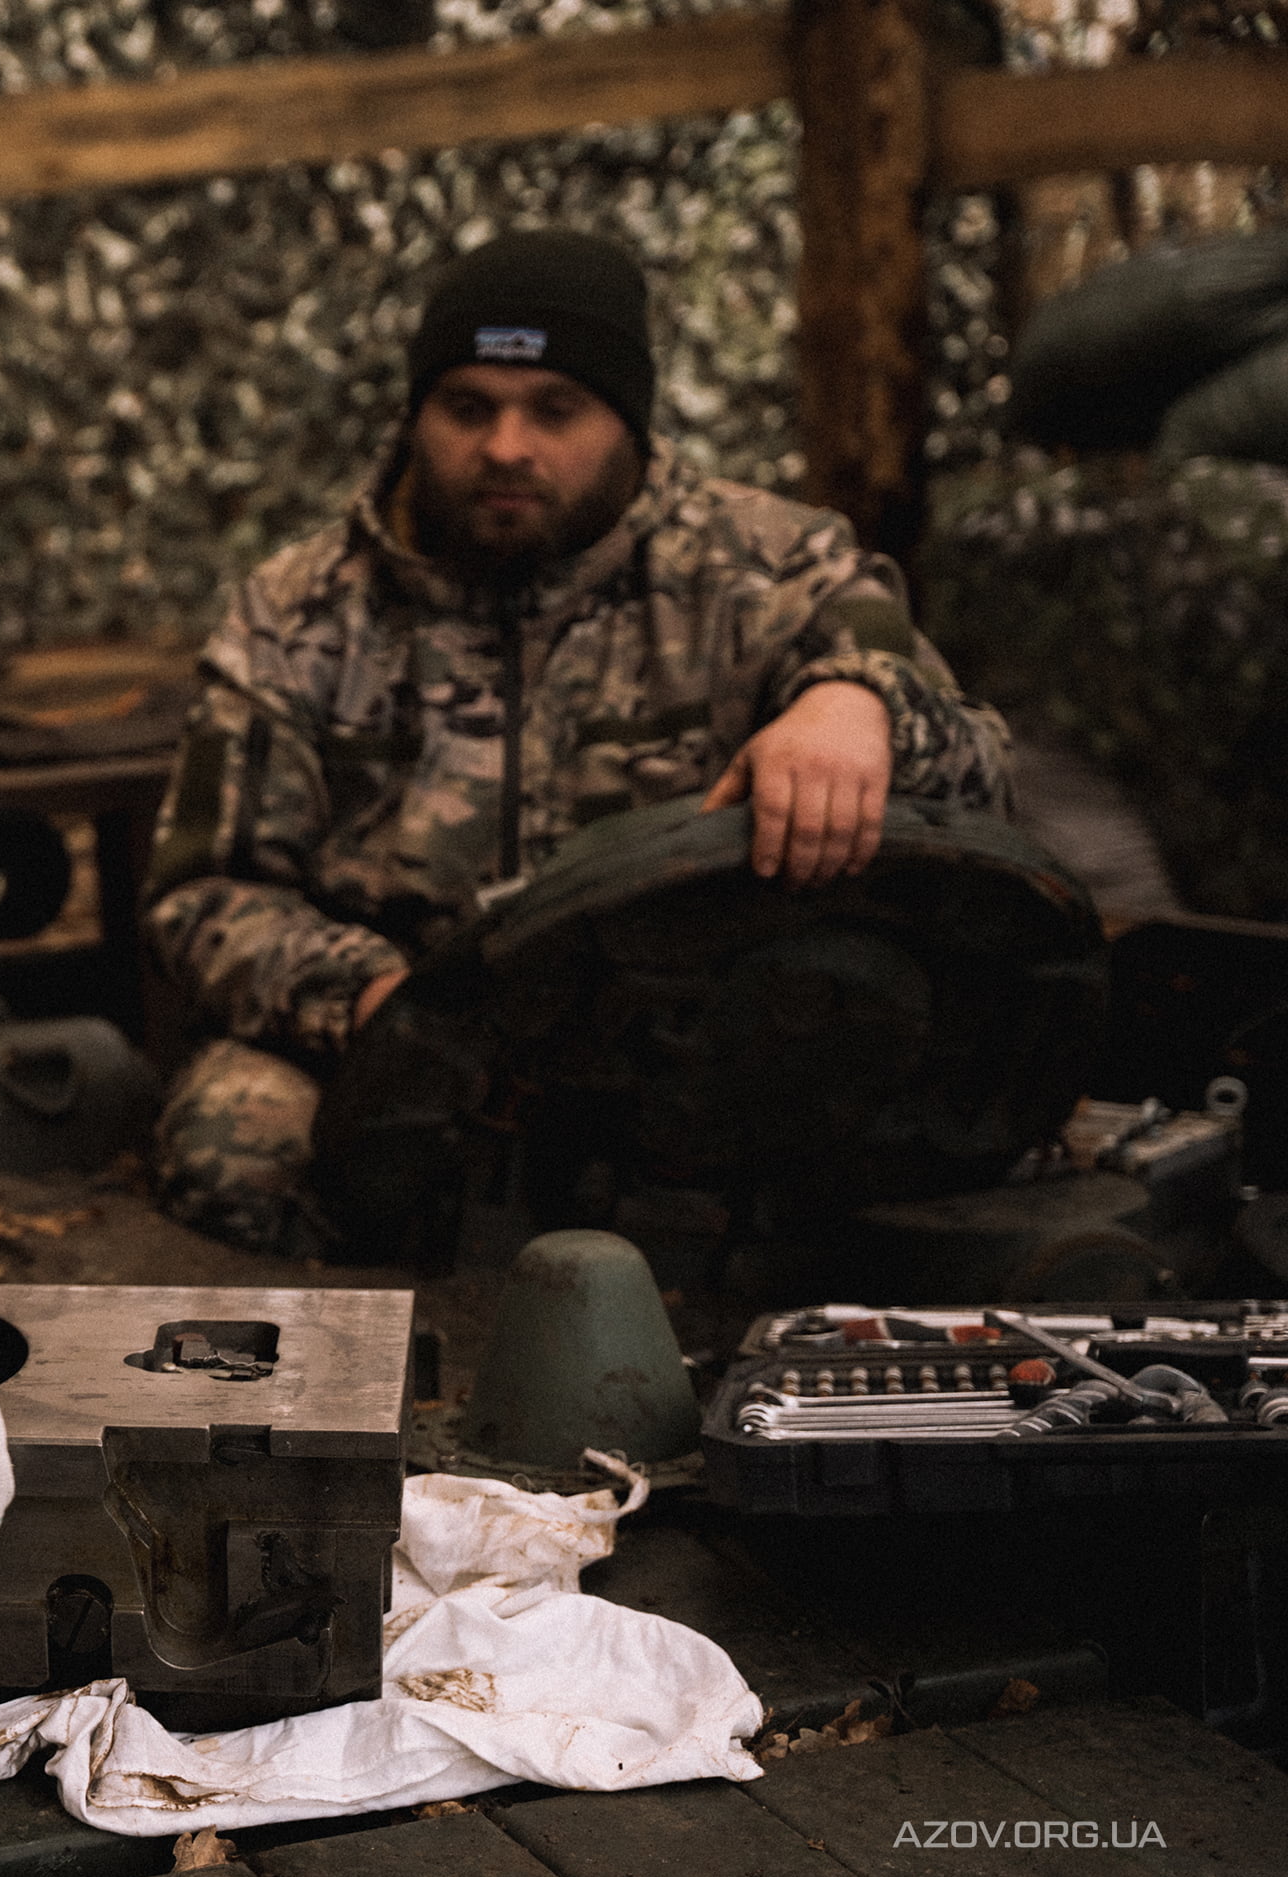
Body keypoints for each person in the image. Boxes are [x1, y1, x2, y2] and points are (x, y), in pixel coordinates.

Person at [142, 228, 1014, 1254]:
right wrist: (380, 998)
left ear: (628, 421)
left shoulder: (775, 568)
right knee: (232, 1145)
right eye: (468, 406)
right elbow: (204, 896)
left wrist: (857, 706)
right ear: (416, 414)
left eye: (556, 410)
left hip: (691, 1035)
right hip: (392, 1032)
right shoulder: (296, 611)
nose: (507, 447)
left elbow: (985, 777)